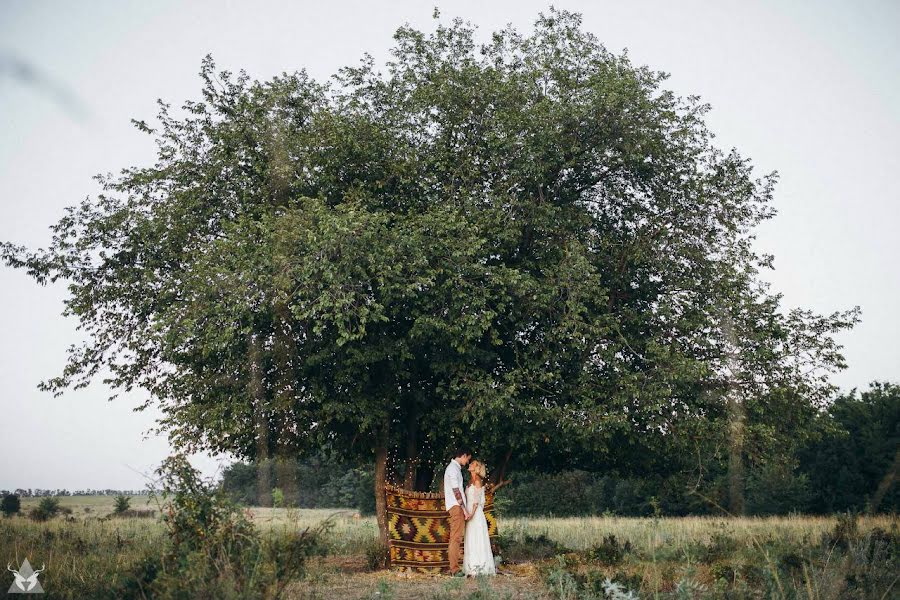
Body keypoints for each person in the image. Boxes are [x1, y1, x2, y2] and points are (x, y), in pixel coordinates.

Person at [463, 460, 496, 576]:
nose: (470, 464)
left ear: (477, 468)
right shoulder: (469, 481)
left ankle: (481, 567)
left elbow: (476, 501)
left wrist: (471, 514)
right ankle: (471, 567)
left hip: (475, 514)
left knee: (477, 539)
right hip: (468, 512)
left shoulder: (477, 481)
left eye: (473, 464)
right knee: (470, 539)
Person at [443, 448, 472, 576]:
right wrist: (464, 509)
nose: (467, 462)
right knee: (456, 538)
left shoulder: (454, 469)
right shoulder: (453, 469)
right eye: (468, 459)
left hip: (456, 506)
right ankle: (454, 569)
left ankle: (454, 568)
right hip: (456, 506)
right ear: (463, 455)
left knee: (456, 537)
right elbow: (456, 491)